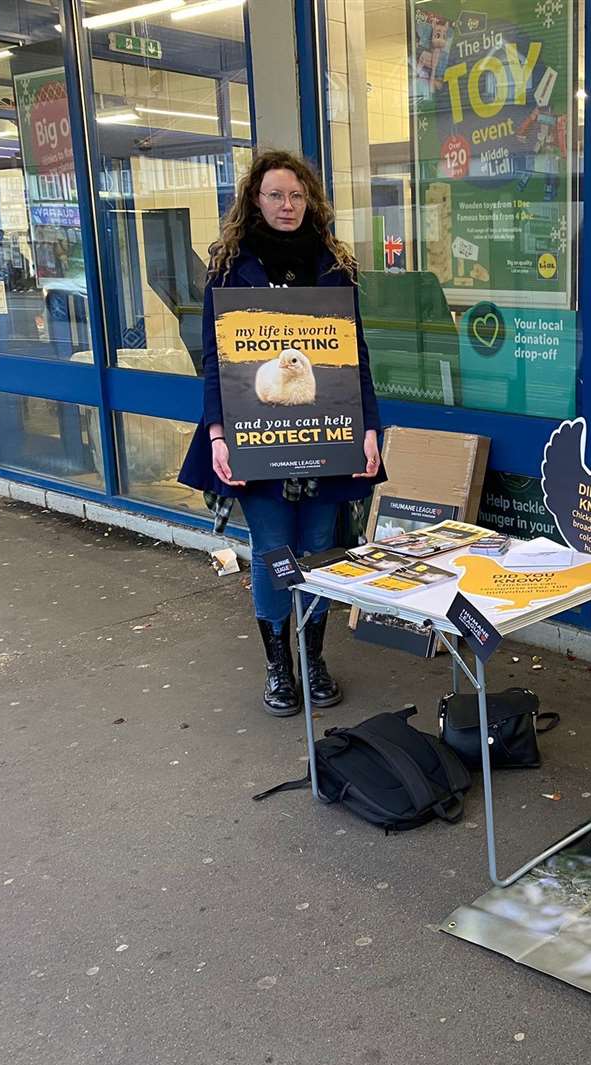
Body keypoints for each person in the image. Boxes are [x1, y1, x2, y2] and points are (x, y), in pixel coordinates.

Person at [178, 150, 384, 716]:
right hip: (255, 440)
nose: (287, 206)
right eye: (275, 195)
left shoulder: (333, 266)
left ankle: (312, 657)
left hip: (326, 436)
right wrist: (219, 435)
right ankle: (278, 667)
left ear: (309, 201)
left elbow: (355, 358)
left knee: (319, 551)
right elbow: (215, 362)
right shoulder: (227, 269)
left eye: (296, 195)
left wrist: (368, 429)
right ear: (255, 200)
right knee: (273, 553)